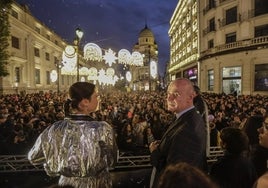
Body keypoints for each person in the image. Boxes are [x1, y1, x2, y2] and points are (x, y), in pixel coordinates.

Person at [28, 82, 118, 188]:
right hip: (97, 184)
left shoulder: (55, 129)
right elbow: (113, 161)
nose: (99, 99)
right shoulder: (102, 129)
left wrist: (55, 161)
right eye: (96, 96)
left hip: (66, 184)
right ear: (85, 102)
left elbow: (33, 157)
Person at [149, 78, 207, 188]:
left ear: (190, 98)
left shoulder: (189, 130)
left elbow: (175, 174)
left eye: (176, 94)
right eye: (168, 93)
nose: (169, 98)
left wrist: (154, 152)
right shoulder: (185, 116)